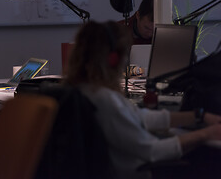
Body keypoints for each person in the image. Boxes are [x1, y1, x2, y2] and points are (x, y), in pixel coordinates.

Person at [66, 20, 221, 179]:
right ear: (113, 59)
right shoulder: (106, 100)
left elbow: (141, 117)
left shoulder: (86, 90)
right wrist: (207, 134)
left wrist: (199, 116)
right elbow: (153, 151)